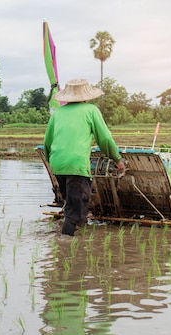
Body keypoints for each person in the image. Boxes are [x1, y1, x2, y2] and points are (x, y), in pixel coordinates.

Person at [43, 78, 126, 236]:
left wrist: (51, 160)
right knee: (75, 211)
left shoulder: (58, 112)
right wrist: (117, 159)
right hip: (77, 165)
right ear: (86, 96)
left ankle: (71, 238)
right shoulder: (91, 110)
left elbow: (47, 141)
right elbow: (104, 139)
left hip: (58, 164)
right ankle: (65, 245)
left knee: (71, 204)